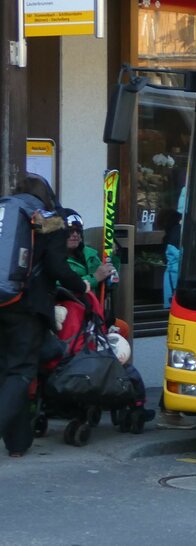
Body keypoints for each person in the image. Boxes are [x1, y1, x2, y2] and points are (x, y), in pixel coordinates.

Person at [0, 174, 88, 458]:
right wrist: (81, 284)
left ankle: (18, 443)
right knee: (21, 372)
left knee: (7, 371)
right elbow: (56, 266)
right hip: (25, 307)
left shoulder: (7, 212)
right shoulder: (50, 219)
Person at [60, 210, 117, 291]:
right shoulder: (53, 259)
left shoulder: (90, 255)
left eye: (78, 230)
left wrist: (113, 258)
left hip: (92, 302)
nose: (75, 234)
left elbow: (111, 284)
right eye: (70, 230)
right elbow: (58, 287)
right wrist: (95, 277)